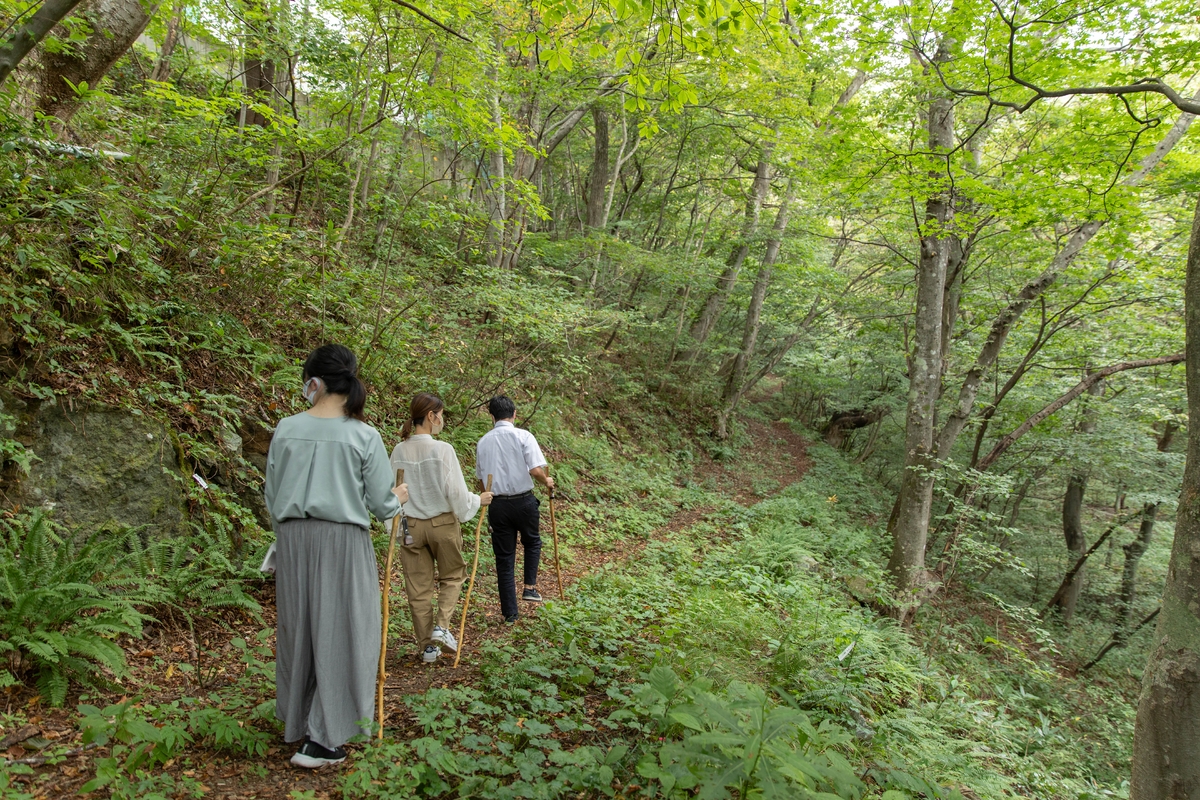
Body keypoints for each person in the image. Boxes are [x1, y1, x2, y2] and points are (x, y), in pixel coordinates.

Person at [263, 344, 408, 769]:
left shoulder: (286, 428)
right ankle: (324, 738)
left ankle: (303, 723)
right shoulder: (362, 435)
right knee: (347, 629)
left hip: (291, 539)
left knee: (301, 630)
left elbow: (273, 496)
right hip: (342, 540)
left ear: (314, 381)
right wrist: (397, 496)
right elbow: (383, 505)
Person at [389, 393, 493, 663]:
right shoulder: (442, 449)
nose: (442, 420)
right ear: (431, 416)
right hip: (443, 524)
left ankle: (427, 648)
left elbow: (392, 490)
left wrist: (394, 527)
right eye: (441, 415)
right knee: (453, 576)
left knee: (418, 588)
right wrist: (476, 501)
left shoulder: (400, 450)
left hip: (410, 526)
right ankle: (441, 627)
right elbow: (456, 493)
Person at [475, 395, 554, 624]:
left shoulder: (483, 442)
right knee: (532, 541)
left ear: (491, 416)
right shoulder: (523, 436)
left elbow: (481, 480)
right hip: (524, 501)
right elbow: (536, 470)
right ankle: (530, 587)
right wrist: (547, 482)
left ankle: (510, 613)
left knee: (504, 557)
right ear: (514, 413)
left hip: (498, 504)